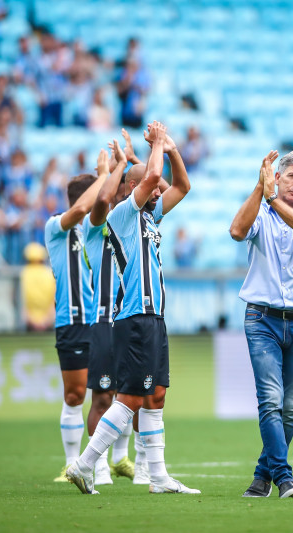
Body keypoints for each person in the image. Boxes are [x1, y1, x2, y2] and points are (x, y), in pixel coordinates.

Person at [65, 121, 196, 495]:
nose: (160, 188)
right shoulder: (123, 215)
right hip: (135, 316)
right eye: (153, 186)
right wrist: (155, 145)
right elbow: (152, 174)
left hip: (155, 317)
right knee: (131, 398)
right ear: (136, 188)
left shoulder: (151, 217)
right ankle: (85, 464)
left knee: (156, 397)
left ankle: (157, 477)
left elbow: (182, 186)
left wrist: (170, 148)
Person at [229, 150, 293, 499]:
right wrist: (261, 191)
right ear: (277, 178)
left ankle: (262, 476)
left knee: (289, 405)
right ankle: (284, 478)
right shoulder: (259, 209)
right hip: (262, 319)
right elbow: (236, 231)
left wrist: (272, 199)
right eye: (292, 177)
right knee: (270, 400)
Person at [80, 132, 143, 486]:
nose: (122, 193)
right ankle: (98, 466)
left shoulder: (134, 223)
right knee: (102, 397)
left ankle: (130, 461)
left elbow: (159, 185)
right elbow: (104, 197)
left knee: (135, 396)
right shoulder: (97, 225)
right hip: (104, 320)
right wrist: (117, 167)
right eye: (120, 188)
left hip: (132, 320)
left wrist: (133, 159)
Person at [44, 151, 107, 481]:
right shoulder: (56, 227)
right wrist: (105, 176)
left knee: (107, 392)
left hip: (100, 321)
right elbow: (82, 209)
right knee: (75, 394)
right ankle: (71, 464)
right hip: (71, 321)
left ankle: (104, 462)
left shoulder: (97, 231)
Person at [19, 242, 55, 331]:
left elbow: (18, 301)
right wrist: (46, 321)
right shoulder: (50, 274)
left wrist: (30, 320)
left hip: (27, 324)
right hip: (47, 323)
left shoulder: (22, 274)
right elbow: (54, 300)